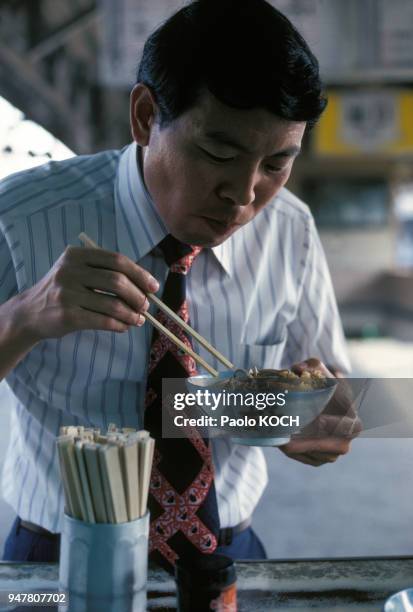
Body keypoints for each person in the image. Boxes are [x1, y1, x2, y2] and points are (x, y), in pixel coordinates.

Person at [0, 0, 359, 565]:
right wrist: (20, 318)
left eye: (275, 164)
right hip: (56, 559)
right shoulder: (19, 218)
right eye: (219, 151)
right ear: (145, 115)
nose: (243, 196)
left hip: (230, 552)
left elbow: (325, 384)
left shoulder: (290, 229)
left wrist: (321, 414)